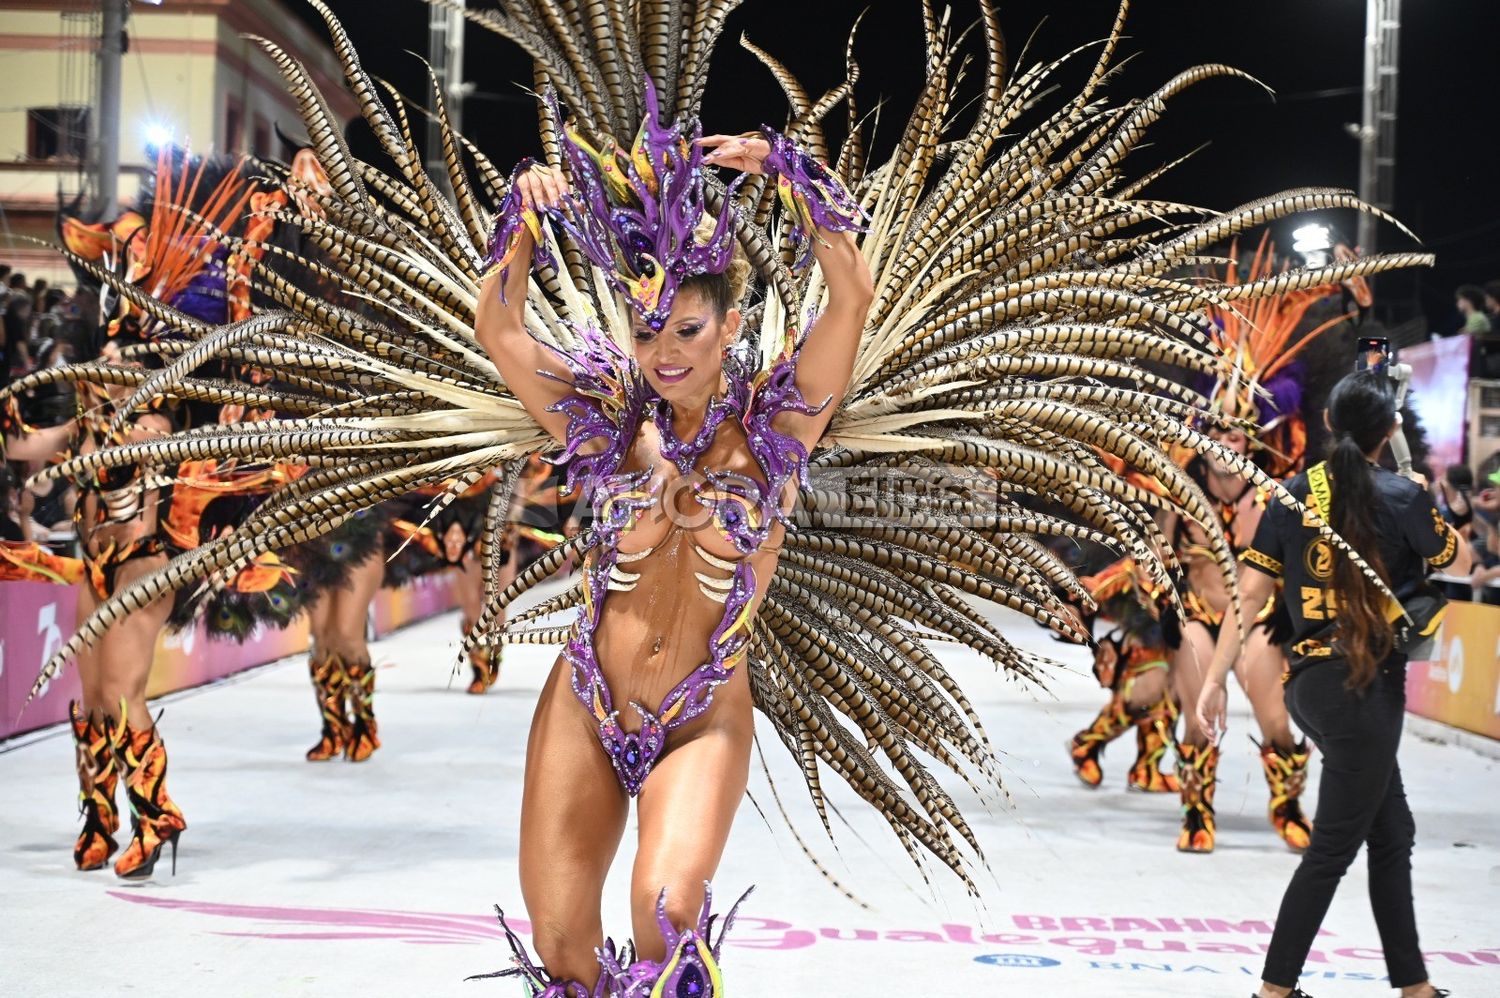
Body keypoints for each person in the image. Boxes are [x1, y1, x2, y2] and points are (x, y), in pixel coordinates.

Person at [1196, 369, 1471, 998]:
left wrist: (1216, 678)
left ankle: (1414, 986)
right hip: (1364, 688)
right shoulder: (1402, 497)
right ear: (1392, 430)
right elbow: (1460, 560)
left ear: (1327, 424)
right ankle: (1275, 991)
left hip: (1312, 687)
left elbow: (1249, 594)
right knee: (1331, 852)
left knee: (1391, 832)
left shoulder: (1290, 496)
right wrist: (1430, 504)